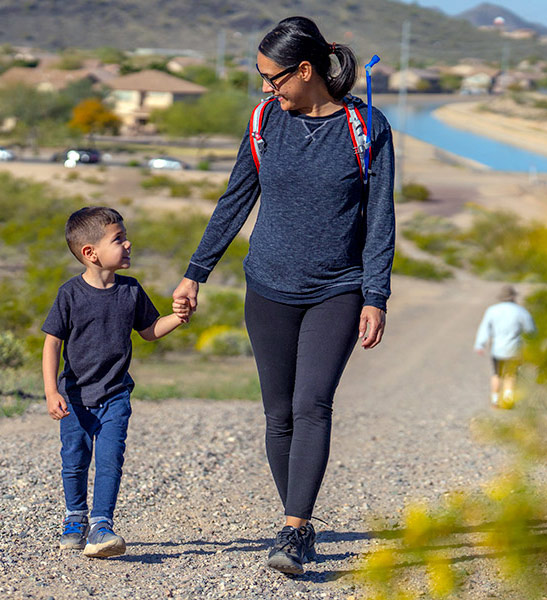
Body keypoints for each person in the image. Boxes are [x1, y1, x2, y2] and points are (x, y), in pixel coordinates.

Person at [172, 16, 395, 575]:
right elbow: (235, 200)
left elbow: (381, 218)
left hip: (336, 290)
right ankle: (296, 519)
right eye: (261, 79)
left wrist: (376, 294)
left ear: (305, 70)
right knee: (278, 415)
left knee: (311, 403)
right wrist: (194, 271)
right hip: (267, 286)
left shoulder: (366, 127)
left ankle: (294, 531)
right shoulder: (263, 122)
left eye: (273, 78)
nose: (267, 89)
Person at [42, 206, 191, 558]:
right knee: (75, 461)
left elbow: (149, 331)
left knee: (110, 459)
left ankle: (101, 525)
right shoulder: (70, 294)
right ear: (90, 253)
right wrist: (51, 391)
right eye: (118, 239)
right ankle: (75, 518)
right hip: (75, 398)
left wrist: (177, 318)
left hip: (115, 395)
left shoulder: (131, 290)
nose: (128, 244)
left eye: (125, 237)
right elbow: (52, 343)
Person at [474, 284, 536, 408]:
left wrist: (480, 344)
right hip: (514, 349)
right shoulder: (520, 311)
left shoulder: (492, 310)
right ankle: (507, 401)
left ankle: (495, 400)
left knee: (496, 374)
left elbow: (484, 329)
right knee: (510, 374)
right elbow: (531, 330)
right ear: (513, 297)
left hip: (497, 349)